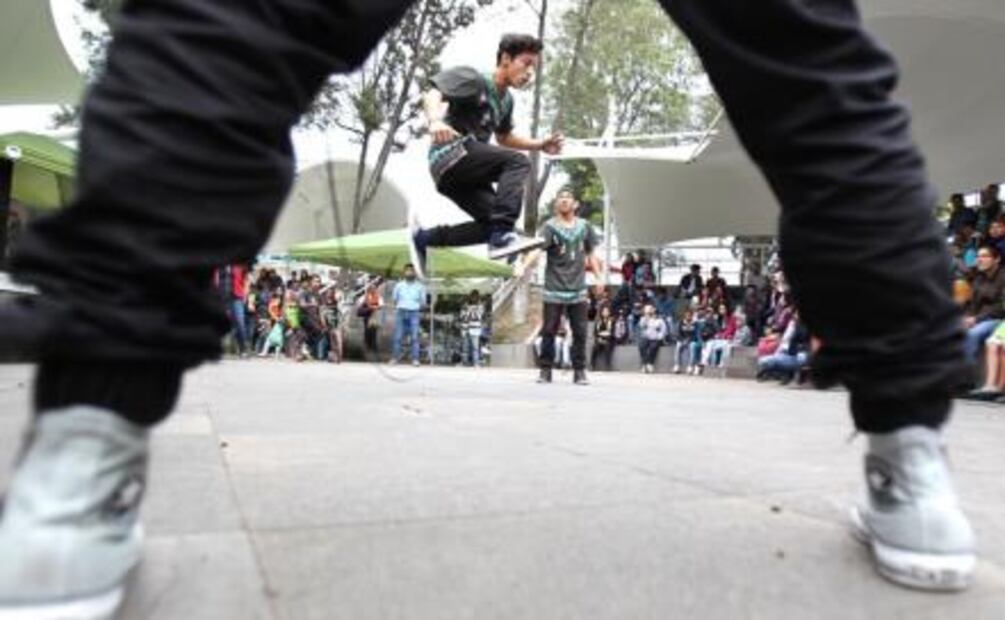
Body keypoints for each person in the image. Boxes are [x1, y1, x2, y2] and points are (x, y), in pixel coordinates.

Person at [0, 3, 978, 616]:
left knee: (233, 18)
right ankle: (912, 457)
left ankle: (83, 448)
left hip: (484, 179)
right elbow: (441, 113)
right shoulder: (467, 87)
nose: (511, 79)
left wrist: (535, 145)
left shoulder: (509, 109)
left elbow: (520, 134)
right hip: (450, 166)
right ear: (504, 62)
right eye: (512, 71)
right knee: (812, 73)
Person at [409, 34, 563, 275]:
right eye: (526, 63)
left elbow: (504, 138)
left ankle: (426, 239)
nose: (530, 72)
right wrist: (435, 121)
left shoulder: (506, 101)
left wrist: (540, 144)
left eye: (534, 66)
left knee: (492, 223)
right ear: (505, 59)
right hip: (450, 154)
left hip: (460, 176)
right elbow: (432, 93)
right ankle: (502, 236)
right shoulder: (475, 79)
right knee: (518, 163)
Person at [518, 188, 602, 385]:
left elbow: (591, 254)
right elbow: (537, 249)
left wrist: (599, 277)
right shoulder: (549, 227)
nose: (564, 201)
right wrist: (523, 266)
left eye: (568, 198)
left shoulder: (585, 226)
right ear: (556, 204)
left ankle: (579, 371)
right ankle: (545, 370)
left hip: (578, 289)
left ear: (575, 204)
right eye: (561, 198)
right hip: (554, 288)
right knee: (548, 331)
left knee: (580, 332)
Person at [962, 245, 1005, 362]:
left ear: (997, 259)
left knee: (972, 334)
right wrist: (968, 317)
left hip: (998, 319)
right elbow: (972, 303)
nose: (979, 259)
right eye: (978, 256)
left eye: (985, 256)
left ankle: (967, 376)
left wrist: (976, 319)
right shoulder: (979, 278)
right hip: (979, 317)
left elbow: (1001, 307)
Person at [390, 264, 426, 365]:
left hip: (414, 313)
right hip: (401, 312)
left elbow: (423, 302)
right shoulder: (399, 285)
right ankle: (395, 358)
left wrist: (414, 306)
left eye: (412, 270)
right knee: (398, 336)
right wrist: (402, 305)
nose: (409, 272)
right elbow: (394, 300)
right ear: (404, 272)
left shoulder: (420, 286)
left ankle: (415, 359)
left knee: (415, 337)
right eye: (407, 270)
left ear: (415, 273)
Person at [637, 303, 667, 374]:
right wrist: (646, 318)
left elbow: (664, 330)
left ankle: (650, 363)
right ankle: (644, 364)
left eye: (653, 311)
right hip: (646, 338)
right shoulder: (644, 319)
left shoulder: (660, 320)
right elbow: (641, 326)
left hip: (655, 339)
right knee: (641, 346)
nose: (652, 313)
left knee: (653, 347)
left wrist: (659, 337)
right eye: (650, 311)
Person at [459, 290, 486, 367]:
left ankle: (476, 363)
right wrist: (471, 313)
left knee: (475, 347)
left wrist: (469, 313)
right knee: (465, 347)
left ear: (477, 297)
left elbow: (478, 317)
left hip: (475, 329)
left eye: (475, 296)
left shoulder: (480, 306)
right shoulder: (465, 305)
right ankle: (464, 362)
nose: (473, 298)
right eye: (472, 296)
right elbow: (462, 316)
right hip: (465, 329)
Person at [591, 305, 615, 372]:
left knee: (607, 347)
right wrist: (599, 338)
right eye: (604, 311)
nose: (605, 313)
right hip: (599, 340)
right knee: (595, 347)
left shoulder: (611, 321)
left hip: (609, 340)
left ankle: (608, 365)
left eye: (607, 311)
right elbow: (595, 332)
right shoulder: (598, 321)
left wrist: (604, 336)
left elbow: (611, 332)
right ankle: (592, 365)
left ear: (609, 313)